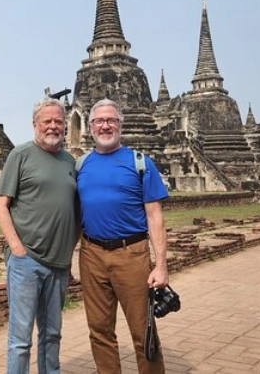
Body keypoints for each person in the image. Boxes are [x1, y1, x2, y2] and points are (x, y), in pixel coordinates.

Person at [77, 99, 169, 374]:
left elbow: (155, 216)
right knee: (100, 331)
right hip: (91, 253)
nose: (105, 126)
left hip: (132, 253)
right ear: (90, 127)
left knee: (143, 331)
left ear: (121, 126)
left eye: (111, 121)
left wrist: (161, 265)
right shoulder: (81, 165)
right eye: (99, 121)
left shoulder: (139, 162)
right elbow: (74, 215)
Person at [0, 97, 80, 374]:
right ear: (35, 124)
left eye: (58, 121)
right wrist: (16, 248)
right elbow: (1, 205)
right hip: (26, 260)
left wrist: (70, 250)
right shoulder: (21, 155)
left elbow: (76, 212)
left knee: (52, 334)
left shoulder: (70, 162)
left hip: (59, 264)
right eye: (47, 121)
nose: (53, 126)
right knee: (20, 340)